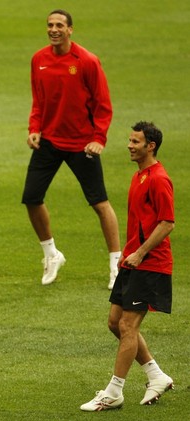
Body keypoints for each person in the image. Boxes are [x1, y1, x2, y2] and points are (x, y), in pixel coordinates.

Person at [22, 9, 121, 288]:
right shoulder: (38, 59)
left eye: (59, 26)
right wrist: (34, 129)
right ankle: (51, 254)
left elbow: (103, 104)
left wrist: (98, 139)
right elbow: (38, 99)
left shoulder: (87, 61)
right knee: (31, 198)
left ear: (70, 30)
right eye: (50, 25)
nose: (54, 29)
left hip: (82, 143)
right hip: (50, 141)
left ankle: (117, 264)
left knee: (100, 203)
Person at [81, 121, 174, 411]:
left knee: (127, 325)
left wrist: (141, 253)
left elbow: (167, 222)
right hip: (133, 261)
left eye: (135, 142)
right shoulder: (140, 176)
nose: (129, 146)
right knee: (114, 323)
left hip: (150, 263)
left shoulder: (158, 178)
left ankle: (114, 392)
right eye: (130, 140)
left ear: (151, 146)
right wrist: (129, 253)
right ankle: (156, 375)